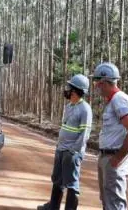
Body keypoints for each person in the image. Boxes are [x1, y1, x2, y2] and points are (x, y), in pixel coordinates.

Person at [37, 74, 93, 210]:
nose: (66, 90)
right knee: (57, 179)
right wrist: (59, 147)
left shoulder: (85, 109)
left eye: (69, 88)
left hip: (72, 152)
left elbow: (84, 134)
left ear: (75, 91)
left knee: (72, 183)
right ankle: (53, 206)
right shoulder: (69, 106)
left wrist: (74, 151)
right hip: (61, 149)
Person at [92, 62, 128, 210]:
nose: (96, 86)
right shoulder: (113, 101)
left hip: (115, 157)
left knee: (114, 203)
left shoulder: (119, 100)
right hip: (107, 156)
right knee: (108, 200)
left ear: (105, 82)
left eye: (97, 82)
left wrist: (118, 158)